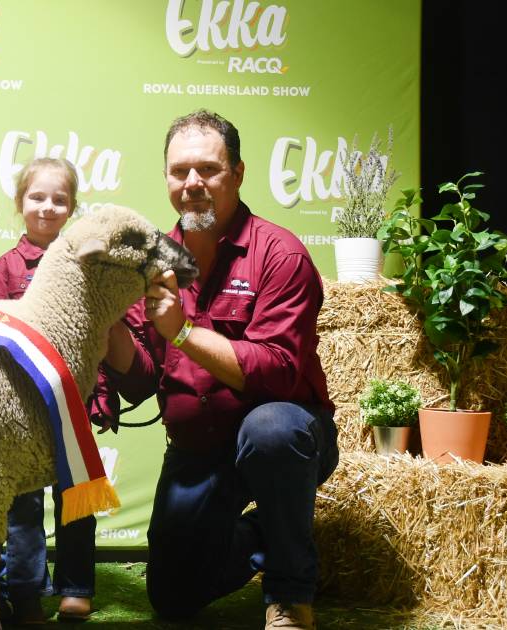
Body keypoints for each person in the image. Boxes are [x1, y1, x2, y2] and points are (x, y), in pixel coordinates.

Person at [100, 110, 337, 630]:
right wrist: (108, 325)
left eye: (207, 170)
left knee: (272, 429)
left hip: (283, 433)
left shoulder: (280, 254)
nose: (191, 185)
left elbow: (277, 372)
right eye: (178, 171)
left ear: (238, 174)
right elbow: (140, 380)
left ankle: (289, 594)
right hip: (199, 447)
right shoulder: (153, 260)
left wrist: (183, 332)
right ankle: (272, 533)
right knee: (172, 596)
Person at [0, 158, 97, 623]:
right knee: (22, 503)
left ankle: (76, 586)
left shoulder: (89, 265)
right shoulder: (1, 270)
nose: (48, 207)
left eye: (60, 199)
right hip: (20, 409)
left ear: (72, 207)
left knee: (78, 492)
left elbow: (98, 335)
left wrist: (102, 393)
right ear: (19, 203)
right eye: (37, 197)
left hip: (73, 402)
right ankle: (26, 590)